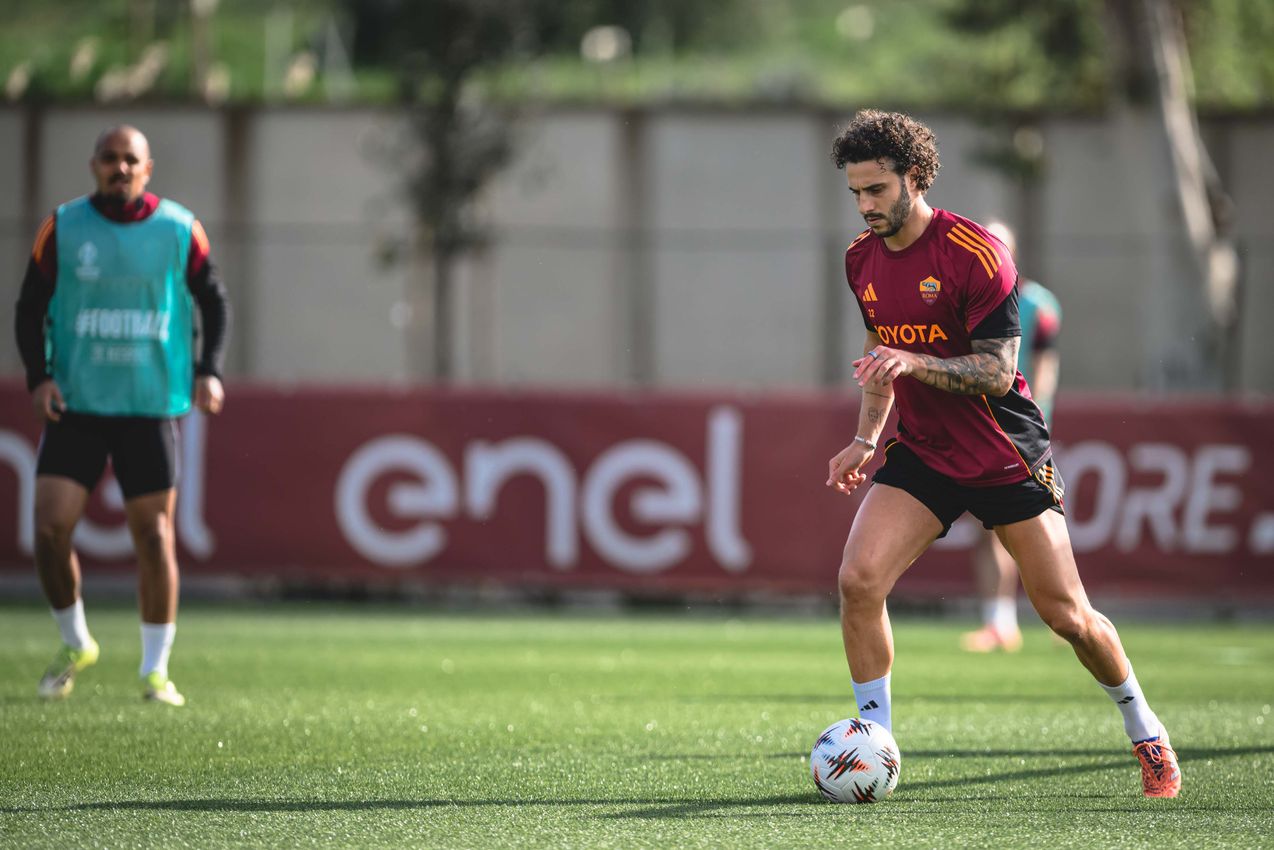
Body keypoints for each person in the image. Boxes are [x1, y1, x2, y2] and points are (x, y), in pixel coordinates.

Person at [824, 110, 1180, 797]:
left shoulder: (978, 254)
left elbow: (995, 370)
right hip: (924, 451)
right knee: (858, 581)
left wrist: (912, 360)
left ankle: (1147, 732)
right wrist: (866, 438)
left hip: (1002, 454)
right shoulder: (859, 259)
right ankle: (877, 745)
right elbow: (878, 360)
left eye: (876, 190)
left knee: (1067, 617)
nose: (865, 206)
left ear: (915, 177)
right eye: (856, 194)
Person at [14, 125, 230, 706]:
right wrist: (40, 378)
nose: (119, 168)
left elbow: (213, 299)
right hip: (78, 403)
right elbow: (29, 307)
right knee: (50, 527)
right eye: (109, 159)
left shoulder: (179, 229)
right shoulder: (64, 227)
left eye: (129, 160)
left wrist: (209, 368)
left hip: (148, 404)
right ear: (94, 166)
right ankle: (76, 641)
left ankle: (156, 671)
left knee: (154, 535)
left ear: (148, 169)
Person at [959, 220, 1062, 653]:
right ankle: (1000, 620)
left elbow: (1045, 367)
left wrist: (1032, 418)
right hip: (973, 426)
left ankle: (1064, 614)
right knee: (987, 532)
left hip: (1017, 431)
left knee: (1031, 530)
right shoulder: (961, 295)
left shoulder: (1038, 303)